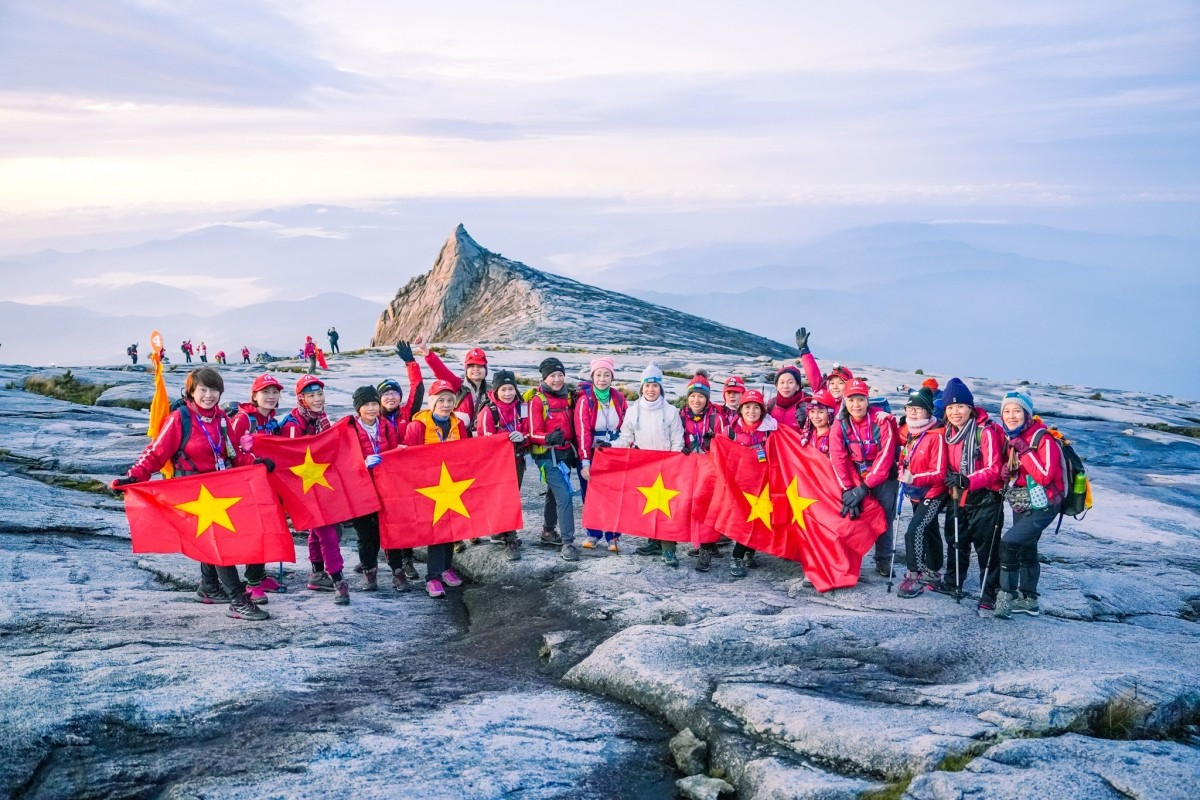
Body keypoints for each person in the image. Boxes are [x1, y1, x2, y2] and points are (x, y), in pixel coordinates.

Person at [110, 367, 268, 621]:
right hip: (192, 492)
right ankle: (238, 599)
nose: (209, 395)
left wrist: (256, 463)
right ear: (191, 391)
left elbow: (232, 453)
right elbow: (157, 452)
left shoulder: (221, 419)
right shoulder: (179, 418)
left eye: (214, 389)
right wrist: (135, 476)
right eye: (203, 390)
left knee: (213, 538)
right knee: (220, 541)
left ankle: (209, 588)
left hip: (218, 487)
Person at [279, 375, 350, 605]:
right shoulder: (293, 424)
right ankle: (338, 580)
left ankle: (317, 573)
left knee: (318, 531)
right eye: (311, 395)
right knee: (329, 532)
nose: (318, 399)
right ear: (302, 398)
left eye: (320, 394)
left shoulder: (321, 419)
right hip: (303, 488)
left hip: (319, 483)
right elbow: (289, 456)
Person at [994, 389, 1064, 620]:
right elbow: (1022, 472)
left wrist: (1023, 450)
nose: (1011, 415)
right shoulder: (1011, 436)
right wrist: (1009, 472)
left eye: (1017, 411)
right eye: (1007, 411)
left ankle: (1007, 596)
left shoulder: (1043, 438)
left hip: (1045, 504)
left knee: (1009, 543)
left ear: (1027, 413)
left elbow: (1044, 475)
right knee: (1026, 547)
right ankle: (1029, 599)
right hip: (1023, 500)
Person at [938, 378, 1006, 610]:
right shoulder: (946, 432)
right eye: (950, 407)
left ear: (970, 407)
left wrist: (967, 480)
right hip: (957, 494)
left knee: (986, 548)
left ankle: (990, 592)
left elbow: (994, 469)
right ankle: (952, 581)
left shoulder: (983, 432)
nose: (955, 412)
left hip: (985, 497)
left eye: (960, 406)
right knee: (956, 540)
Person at [613, 363, 685, 566]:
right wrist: (609, 446)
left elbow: (677, 442)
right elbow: (626, 438)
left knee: (666, 507)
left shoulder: (671, 412)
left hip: (667, 465)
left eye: (655, 385)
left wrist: (672, 464)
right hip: (644, 465)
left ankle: (669, 549)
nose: (651, 389)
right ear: (641, 387)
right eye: (647, 385)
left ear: (660, 388)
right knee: (648, 504)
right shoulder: (633, 411)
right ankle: (653, 542)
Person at [403, 379, 470, 597]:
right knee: (436, 531)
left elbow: (468, 450)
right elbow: (408, 457)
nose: (446, 404)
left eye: (450, 400)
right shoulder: (418, 426)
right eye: (441, 400)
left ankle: (446, 567)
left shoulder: (458, 424)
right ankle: (432, 577)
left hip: (452, 483)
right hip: (427, 486)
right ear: (432, 402)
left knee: (451, 528)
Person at [829, 378, 900, 578]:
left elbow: (885, 456)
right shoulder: (840, 423)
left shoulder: (881, 420)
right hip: (855, 475)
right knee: (852, 513)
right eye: (851, 400)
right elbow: (838, 456)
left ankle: (883, 559)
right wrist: (847, 489)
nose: (856, 405)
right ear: (845, 401)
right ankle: (848, 560)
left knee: (885, 515)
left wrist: (864, 488)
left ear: (868, 400)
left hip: (884, 477)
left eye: (860, 399)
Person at [228, 373, 289, 604]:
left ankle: (260, 576)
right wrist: (251, 461)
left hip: (266, 483)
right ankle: (252, 583)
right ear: (254, 395)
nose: (271, 396)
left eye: (275, 392)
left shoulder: (271, 421)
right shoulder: (244, 419)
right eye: (266, 392)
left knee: (268, 528)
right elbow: (230, 452)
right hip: (246, 485)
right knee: (256, 530)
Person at [345, 385, 412, 592]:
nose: (372, 409)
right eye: (366, 405)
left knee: (390, 528)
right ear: (358, 408)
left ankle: (397, 572)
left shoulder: (385, 426)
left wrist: (399, 452)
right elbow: (342, 459)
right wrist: (362, 463)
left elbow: (393, 449)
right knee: (366, 535)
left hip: (385, 488)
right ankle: (370, 574)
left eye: (374, 403)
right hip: (360, 490)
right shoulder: (349, 428)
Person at [894, 388, 948, 598]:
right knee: (930, 529)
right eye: (910, 408)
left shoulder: (936, 435)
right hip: (915, 491)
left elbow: (939, 472)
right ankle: (934, 571)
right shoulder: (909, 431)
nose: (914, 412)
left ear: (929, 411)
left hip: (933, 492)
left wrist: (913, 478)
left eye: (919, 409)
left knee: (914, 530)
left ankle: (913, 575)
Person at [528, 357, 581, 561]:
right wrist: (548, 438)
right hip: (547, 456)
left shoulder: (568, 397)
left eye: (560, 375)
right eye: (552, 376)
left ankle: (548, 533)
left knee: (554, 492)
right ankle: (567, 542)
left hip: (566, 454)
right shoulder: (537, 400)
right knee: (565, 495)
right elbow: (533, 432)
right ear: (544, 378)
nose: (557, 379)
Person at [576, 356, 629, 552]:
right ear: (592, 376)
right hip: (591, 450)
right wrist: (585, 462)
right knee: (591, 493)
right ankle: (594, 533)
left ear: (612, 377)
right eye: (598, 374)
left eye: (607, 375)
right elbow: (582, 432)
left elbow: (626, 427)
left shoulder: (619, 398)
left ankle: (613, 535)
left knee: (614, 493)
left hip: (614, 450)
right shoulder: (585, 401)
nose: (602, 379)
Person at [476, 369, 529, 561]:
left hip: (517, 459)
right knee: (506, 499)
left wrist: (524, 438)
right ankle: (510, 538)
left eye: (511, 388)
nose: (508, 393)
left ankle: (499, 532)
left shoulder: (521, 408)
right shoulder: (487, 412)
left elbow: (529, 431)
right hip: (497, 465)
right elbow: (483, 443)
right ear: (495, 390)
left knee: (513, 496)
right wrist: (504, 438)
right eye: (503, 389)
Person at [724, 389, 777, 577]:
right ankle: (736, 556)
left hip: (762, 483)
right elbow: (722, 453)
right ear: (741, 409)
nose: (751, 411)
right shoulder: (731, 430)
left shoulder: (771, 430)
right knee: (742, 520)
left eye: (756, 407)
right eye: (747, 407)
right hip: (738, 483)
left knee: (757, 519)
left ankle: (749, 551)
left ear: (762, 411)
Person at [678, 371, 726, 571]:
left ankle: (705, 549)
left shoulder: (716, 417)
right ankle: (704, 543)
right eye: (693, 396)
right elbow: (675, 437)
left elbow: (726, 444)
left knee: (707, 507)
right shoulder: (681, 416)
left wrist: (713, 443)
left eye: (700, 396)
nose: (696, 400)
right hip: (690, 468)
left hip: (711, 469)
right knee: (692, 506)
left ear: (707, 399)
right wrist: (681, 446)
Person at [416, 337, 488, 436]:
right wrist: (425, 350)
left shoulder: (491, 392)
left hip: (481, 437)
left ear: (485, 370)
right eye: (471, 366)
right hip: (457, 436)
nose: (476, 369)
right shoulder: (457, 385)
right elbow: (440, 370)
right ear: (466, 370)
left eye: (480, 366)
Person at [767, 364, 808, 431]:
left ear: (798, 386)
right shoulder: (771, 404)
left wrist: (807, 422)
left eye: (790, 382)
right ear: (777, 386)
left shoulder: (808, 403)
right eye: (782, 382)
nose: (785, 386)